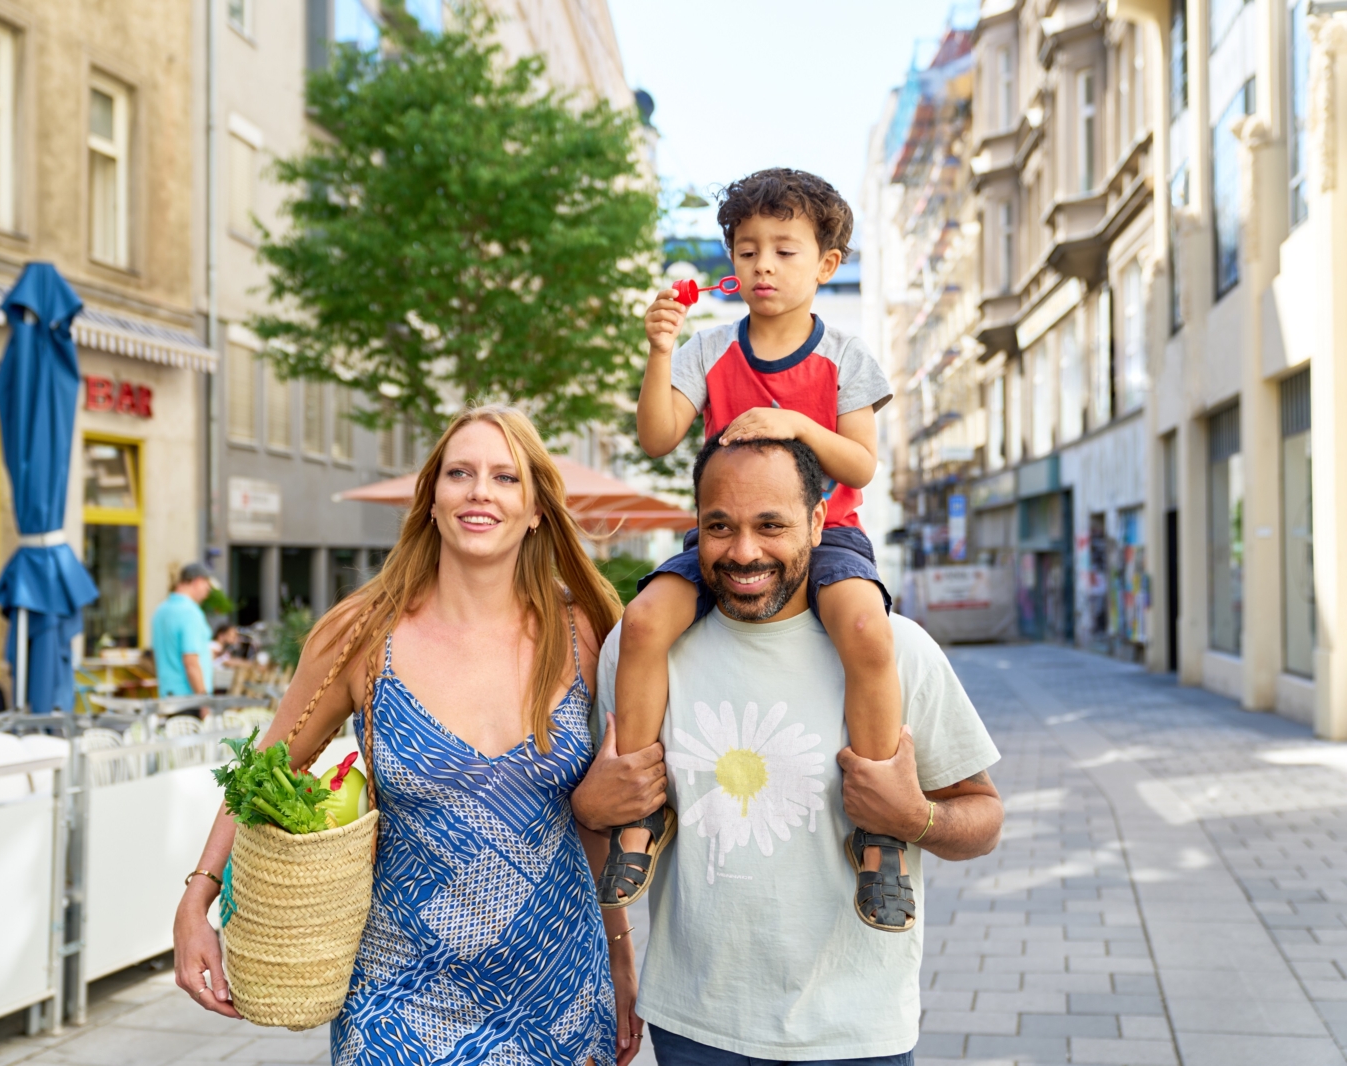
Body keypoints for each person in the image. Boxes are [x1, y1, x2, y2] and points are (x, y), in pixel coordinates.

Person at [173, 405, 653, 1066]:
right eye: (460, 473)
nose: (480, 491)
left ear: (537, 507)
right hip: (397, 1000)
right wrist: (197, 901)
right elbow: (262, 770)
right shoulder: (363, 635)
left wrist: (621, 952)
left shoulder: (586, 633)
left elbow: (596, 821)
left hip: (558, 991)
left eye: (505, 478)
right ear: (432, 500)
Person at [583, 433, 1003, 1066]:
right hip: (693, 1028)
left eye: (771, 525)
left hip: (855, 1037)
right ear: (696, 526)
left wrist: (915, 819)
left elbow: (984, 818)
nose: (744, 551)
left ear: (816, 522)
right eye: (719, 526)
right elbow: (589, 824)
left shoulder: (898, 649)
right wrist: (591, 812)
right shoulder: (639, 649)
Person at [605, 168, 907, 929]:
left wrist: (795, 425)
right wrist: (658, 351)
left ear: (826, 264)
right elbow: (658, 435)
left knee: (867, 630)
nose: (763, 266)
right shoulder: (709, 350)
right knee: (642, 625)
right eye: (746, 251)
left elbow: (862, 466)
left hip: (827, 534)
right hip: (721, 536)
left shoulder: (846, 357)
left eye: (784, 250)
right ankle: (641, 812)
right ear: (731, 264)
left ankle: (879, 834)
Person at [151, 563, 216, 700]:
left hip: (167, 696)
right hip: (190, 698)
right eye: (207, 585)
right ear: (198, 581)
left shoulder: (160, 610)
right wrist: (204, 700)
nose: (208, 591)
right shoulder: (190, 612)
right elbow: (191, 662)